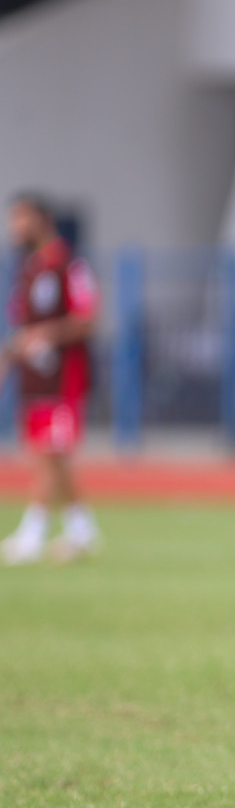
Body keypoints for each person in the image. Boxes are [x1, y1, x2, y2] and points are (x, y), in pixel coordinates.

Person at [1, 193, 101, 565]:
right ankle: (82, 529)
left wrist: (44, 336)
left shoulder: (68, 265)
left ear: (41, 220)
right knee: (51, 456)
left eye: (20, 219)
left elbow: (88, 317)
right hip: (35, 380)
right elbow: (21, 330)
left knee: (48, 453)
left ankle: (33, 534)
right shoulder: (28, 270)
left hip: (64, 378)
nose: (14, 228)